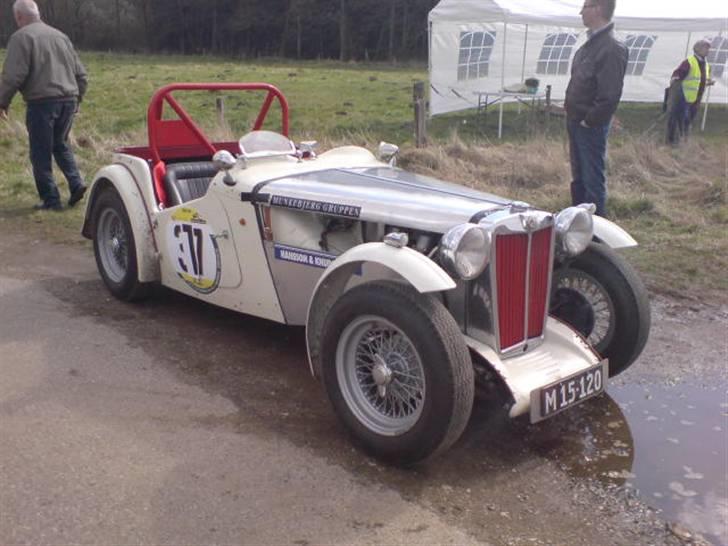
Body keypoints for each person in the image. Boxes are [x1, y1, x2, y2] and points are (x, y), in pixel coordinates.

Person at [0, 0, 88, 211]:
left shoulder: (21, 38)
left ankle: (51, 200)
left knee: (40, 152)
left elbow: (14, 76)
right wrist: (78, 98)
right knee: (60, 144)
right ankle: (76, 183)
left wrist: (2, 102)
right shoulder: (61, 36)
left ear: (19, 17)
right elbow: (81, 74)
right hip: (68, 99)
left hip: (42, 103)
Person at [564, 0, 627, 218]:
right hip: (576, 120)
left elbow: (609, 95)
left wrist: (589, 120)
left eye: (585, 7)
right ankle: (577, 226)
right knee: (579, 175)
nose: (581, 12)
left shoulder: (611, 48)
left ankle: (596, 231)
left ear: (598, 9)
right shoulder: (590, 45)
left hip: (589, 124)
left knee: (592, 179)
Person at [666, 40, 715, 145]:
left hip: (696, 99)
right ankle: (675, 142)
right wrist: (675, 81)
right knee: (682, 120)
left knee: (688, 121)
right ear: (698, 49)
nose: (708, 51)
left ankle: (684, 142)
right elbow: (677, 74)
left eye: (708, 48)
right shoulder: (689, 62)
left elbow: (700, 79)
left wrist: (708, 82)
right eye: (705, 48)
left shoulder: (706, 65)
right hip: (684, 97)